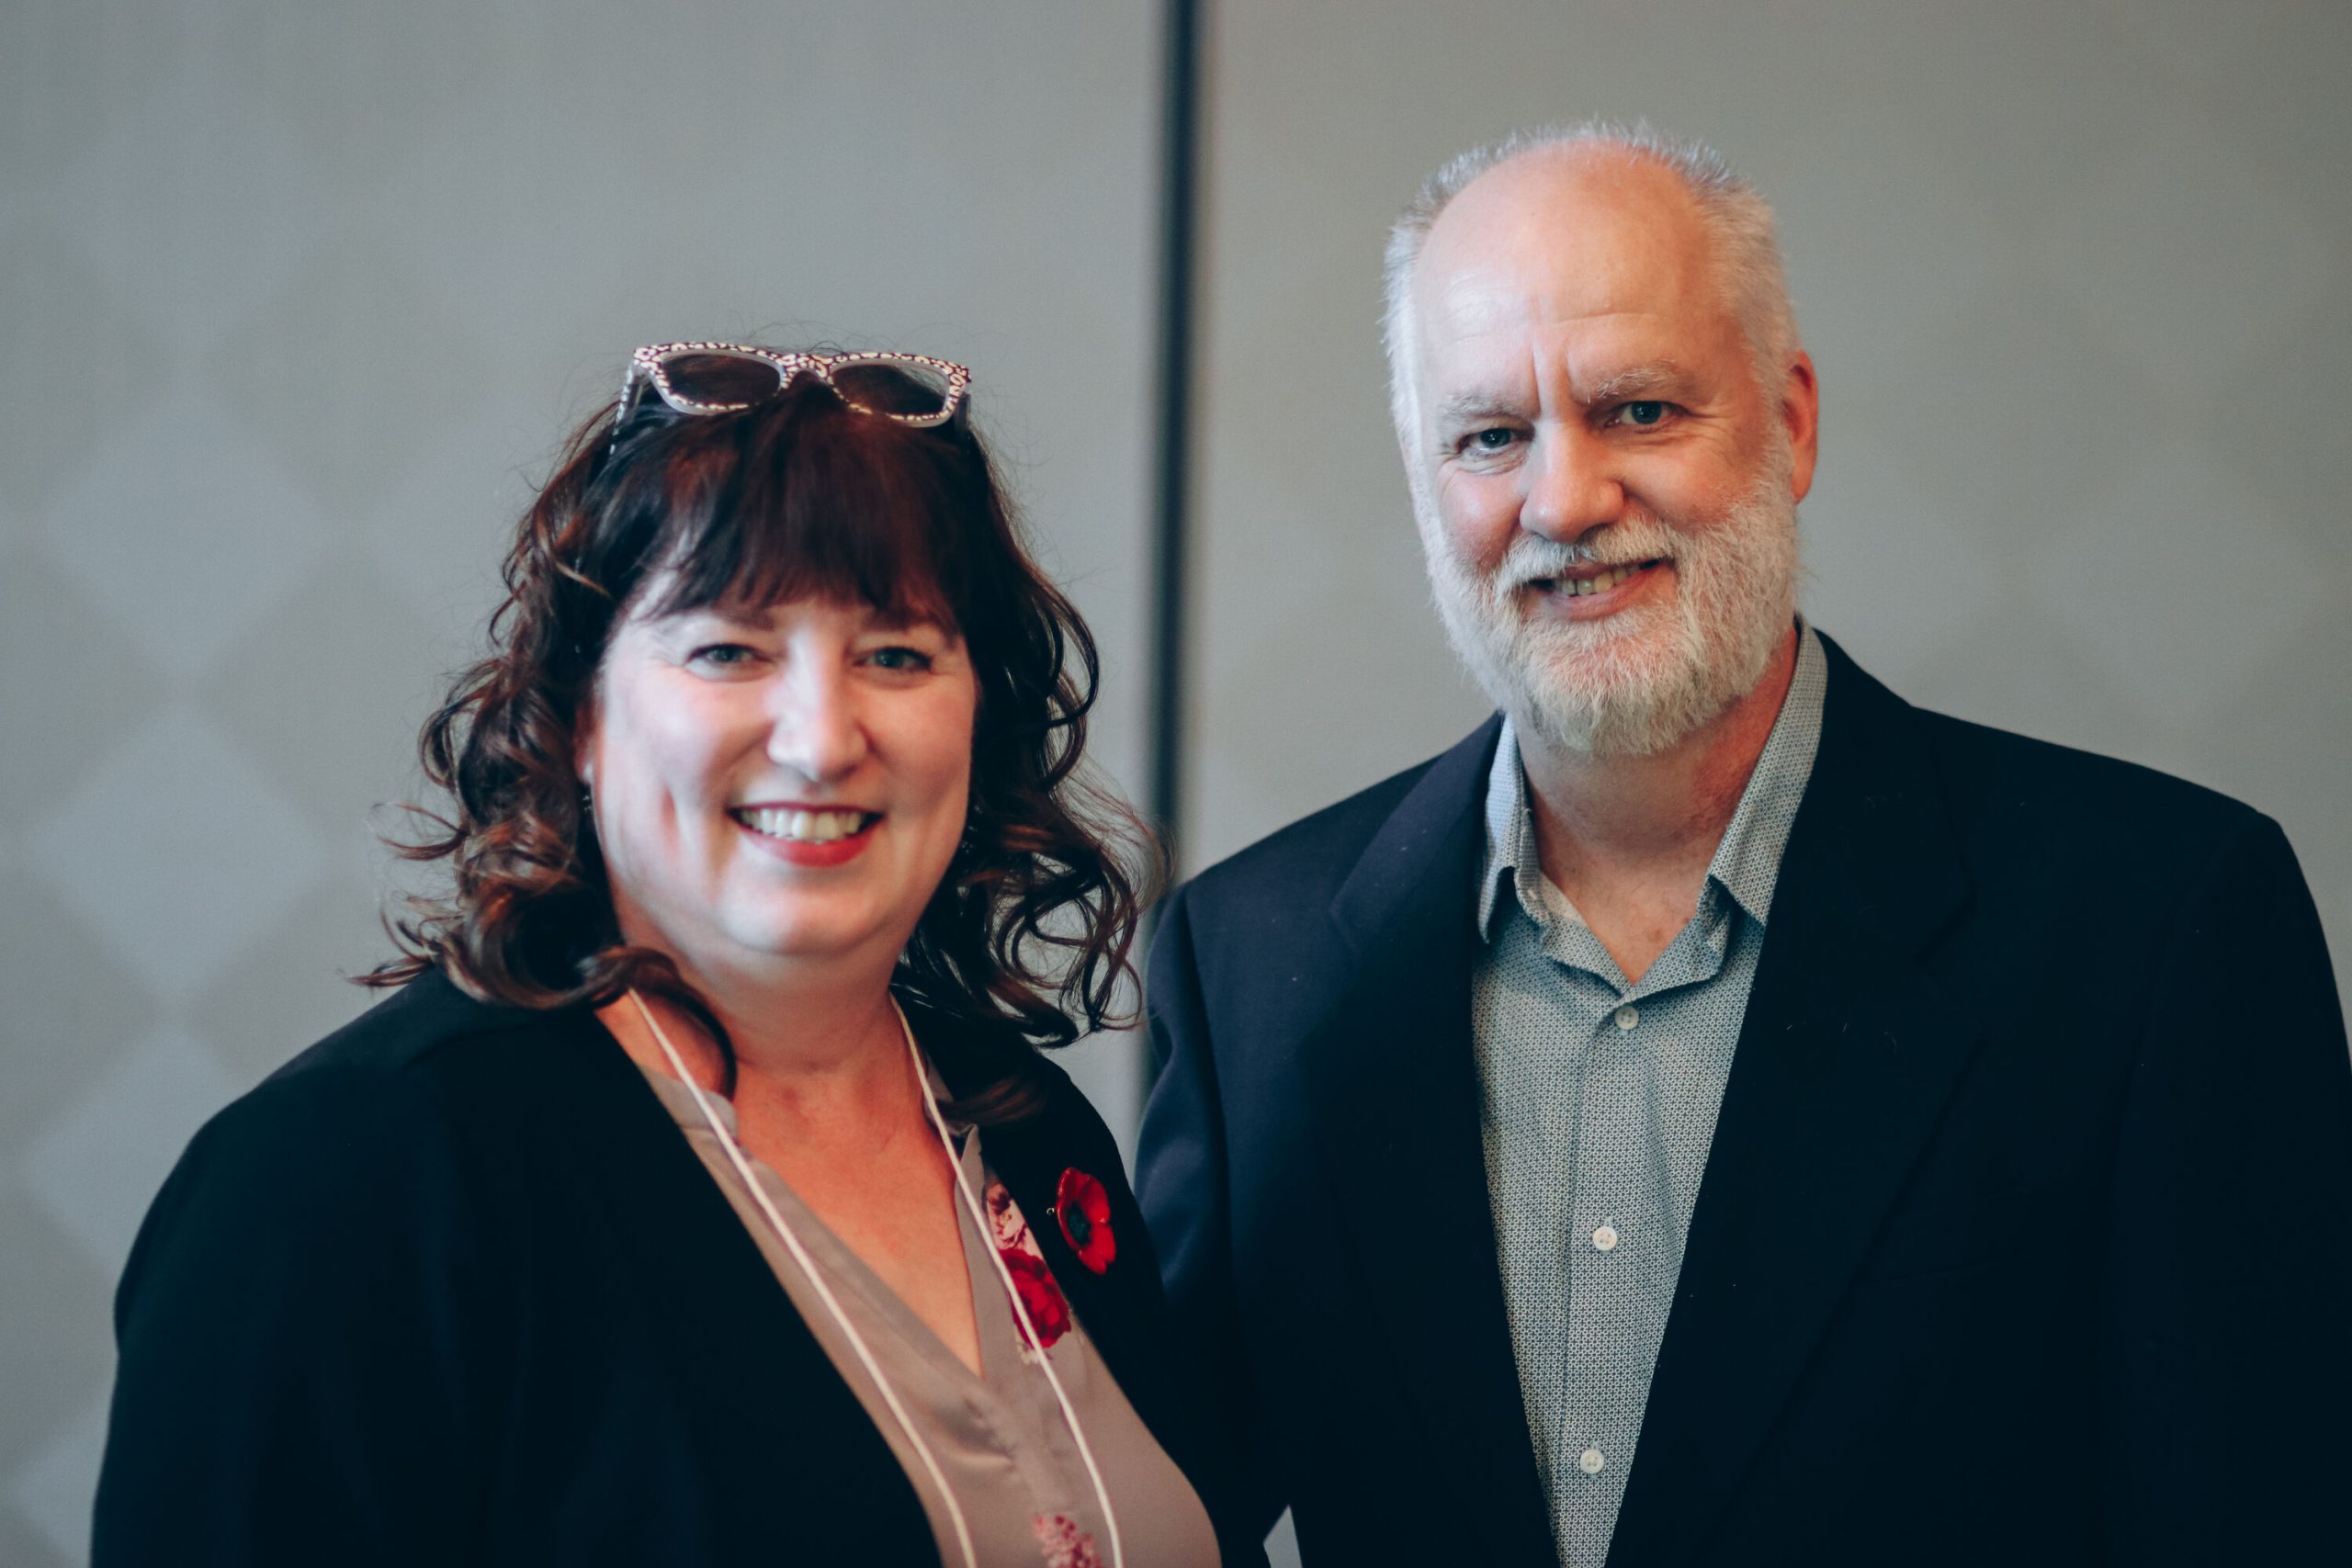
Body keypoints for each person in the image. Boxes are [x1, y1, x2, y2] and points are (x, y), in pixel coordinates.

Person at [1135, 125, 2352, 1567]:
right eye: (1489, 437)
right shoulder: (1249, 971)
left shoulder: (2156, 930)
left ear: (1793, 421)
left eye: (1639, 410)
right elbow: (1133, 1514)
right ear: (1424, 481)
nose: (1565, 502)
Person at [96, 343, 1263, 1568]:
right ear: (581, 713)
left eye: (898, 655)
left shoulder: (1027, 1129)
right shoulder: (353, 1179)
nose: (821, 740)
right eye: (729, 650)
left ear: (981, 712)